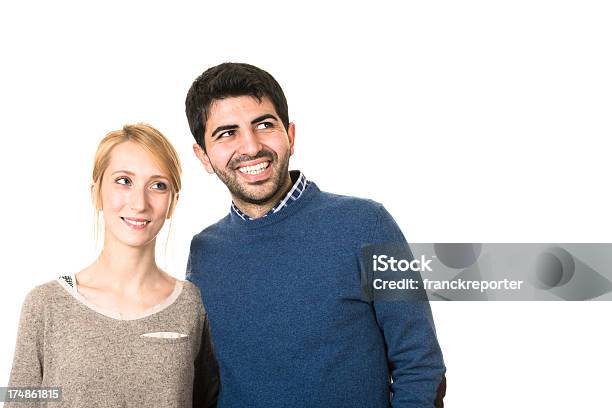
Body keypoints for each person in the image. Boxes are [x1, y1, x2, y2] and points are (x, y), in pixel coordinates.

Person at [185, 63, 446, 407]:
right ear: (203, 156)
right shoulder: (204, 252)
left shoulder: (367, 224)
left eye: (264, 125)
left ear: (290, 135)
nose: (250, 146)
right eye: (227, 133)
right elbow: (204, 383)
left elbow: (420, 365)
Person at [7, 124, 218, 408]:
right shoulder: (45, 304)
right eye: (123, 181)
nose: (139, 203)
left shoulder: (192, 305)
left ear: (173, 203)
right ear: (96, 192)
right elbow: (21, 400)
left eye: (158, 185)